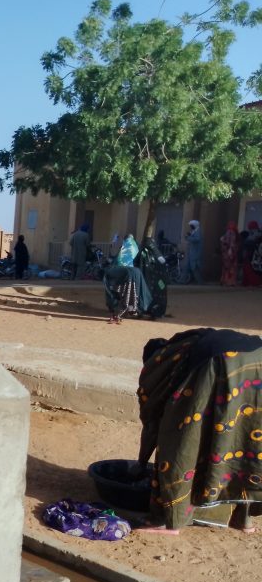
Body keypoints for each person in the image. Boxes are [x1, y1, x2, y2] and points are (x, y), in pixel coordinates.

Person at [137, 329, 262, 531]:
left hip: (220, 361)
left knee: (180, 438)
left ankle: (168, 521)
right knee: (248, 437)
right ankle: (243, 521)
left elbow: (154, 413)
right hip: (258, 360)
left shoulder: (166, 364)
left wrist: (142, 463)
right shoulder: (186, 344)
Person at [104, 234, 152, 323]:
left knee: (119, 294)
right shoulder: (135, 247)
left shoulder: (121, 247)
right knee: (130, 295)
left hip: (120, 275)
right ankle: (130, 311)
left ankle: (117, 314)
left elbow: (114, 260)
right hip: (133, 274)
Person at [219, 220, 239, 286]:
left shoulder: (230, 232)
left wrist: (222, 240)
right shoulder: (236, 232)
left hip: (228, 253)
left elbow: (229, 242)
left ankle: (226, 281)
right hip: (233, 253)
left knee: (227, 267)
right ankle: (231, 281)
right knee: (231, 267)